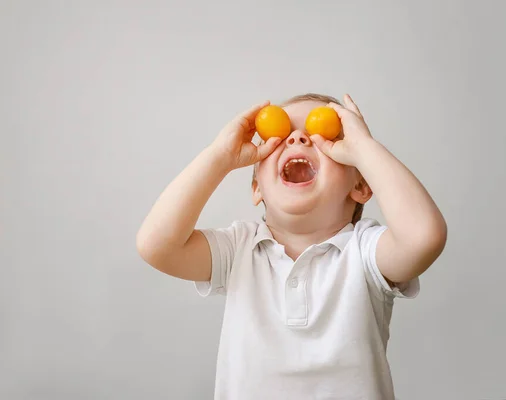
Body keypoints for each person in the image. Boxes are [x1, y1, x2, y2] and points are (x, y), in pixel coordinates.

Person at [136, 93, 447, 399]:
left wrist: (365, 148)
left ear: (361, 185)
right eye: (281, 132)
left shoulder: (364, 253)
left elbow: (423, 237)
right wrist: (219, 157)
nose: (297, 138)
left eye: (323, 134)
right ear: (257, 187)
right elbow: (158, 245)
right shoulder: (239, 250)